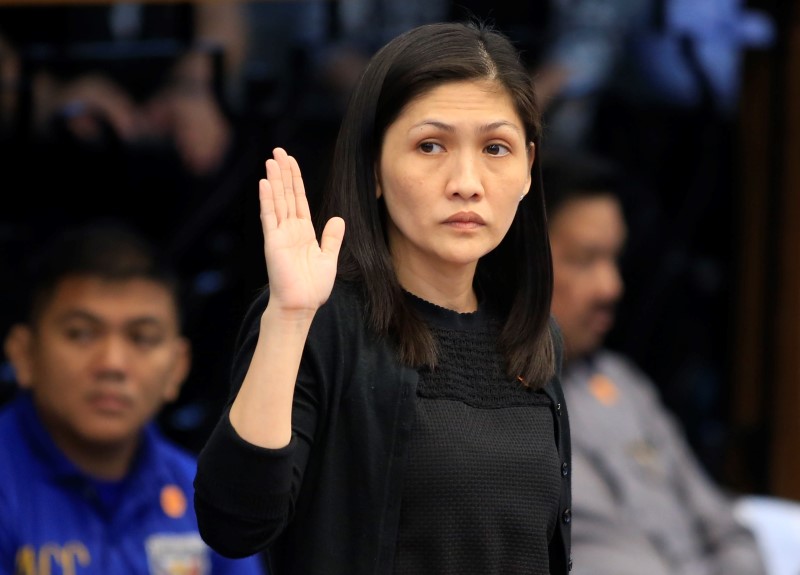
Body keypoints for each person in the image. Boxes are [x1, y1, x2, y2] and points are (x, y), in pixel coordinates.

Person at [193, 20, 572, 575]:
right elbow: (234, 523)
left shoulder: (533, 333)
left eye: (496, 147)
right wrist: (289, 319)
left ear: (526, 169)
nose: (467, 180)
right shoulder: (323, 322)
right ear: (373, 167)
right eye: (430, 145)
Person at [543, 151, 800, 575]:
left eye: (615, 259)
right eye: (586, 260)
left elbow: (724, 527)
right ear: (526, 263)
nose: (612, 287)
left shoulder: (620, 382)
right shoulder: (513, 406)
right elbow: (611, 557)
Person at [0, 221, 267, 575]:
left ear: (177, 367)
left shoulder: (203, 494)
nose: (112, 364)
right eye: (80, 334)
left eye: (142, 338)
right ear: (23, 354)